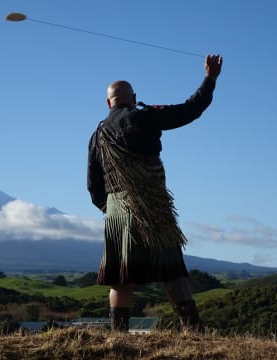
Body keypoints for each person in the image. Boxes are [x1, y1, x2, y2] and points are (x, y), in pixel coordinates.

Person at [87, 54, 223, 332]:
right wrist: (210, 78)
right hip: (151, 207)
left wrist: (111, 206)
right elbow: (191, 109)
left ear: (107, 102)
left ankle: (118, 336)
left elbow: (93, 185)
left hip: (115, 211)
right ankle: (193, 331)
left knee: (120, 278)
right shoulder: (145, 116)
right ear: (134, 97)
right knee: (172, 270)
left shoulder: (97, 134)